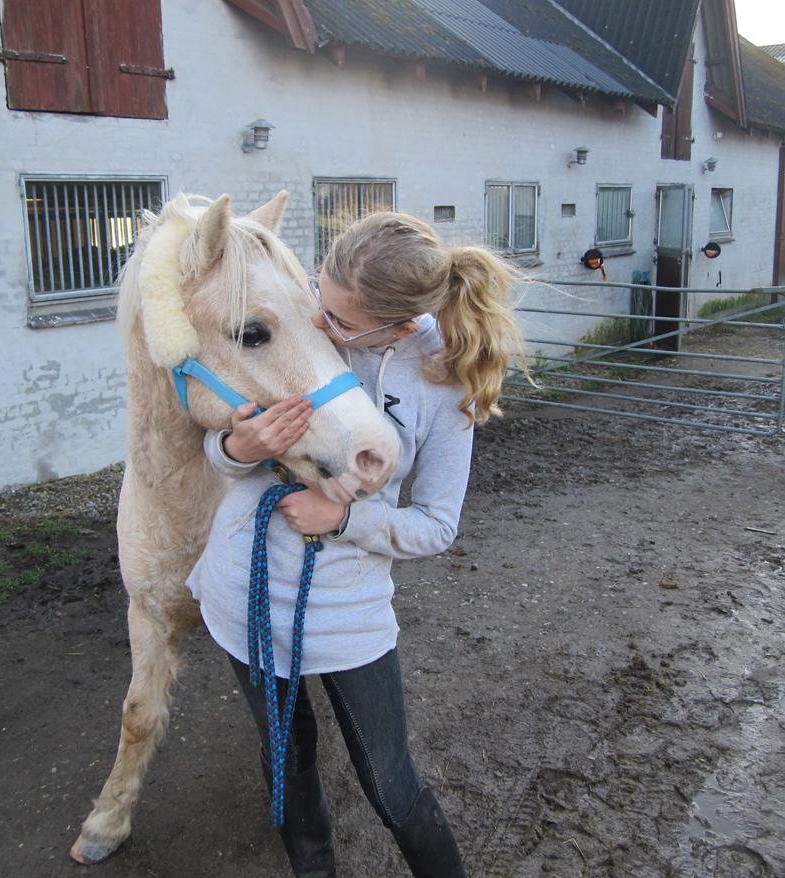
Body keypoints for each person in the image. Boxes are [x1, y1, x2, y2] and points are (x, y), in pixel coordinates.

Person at [185, 211, 528, 877]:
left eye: (340, 321)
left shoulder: (442, 378)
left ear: (398, 328)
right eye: (318, 295)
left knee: (391, 783)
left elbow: (437, 525)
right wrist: (236, 447)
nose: (318, 321)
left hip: (346, 611)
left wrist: (342, 520)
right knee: (288, 762)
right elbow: (217, 437)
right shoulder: (304, 324)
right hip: (244, 591)